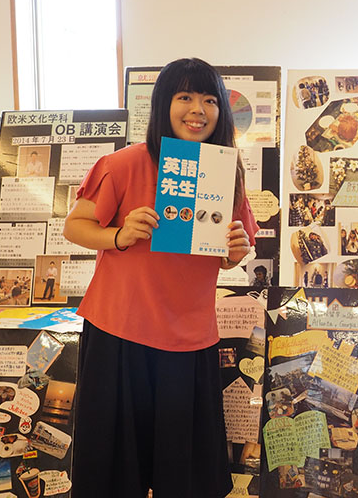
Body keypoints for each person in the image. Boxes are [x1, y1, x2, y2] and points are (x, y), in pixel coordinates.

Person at [63, 58, 259, 498]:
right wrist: (118, 235)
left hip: (188, 337)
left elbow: (226, 257)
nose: (198, 110)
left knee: (182, 471)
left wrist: (234, 253)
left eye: (210, 100)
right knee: (113, 470)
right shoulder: (124, 163)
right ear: (162, 104)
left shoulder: (226, 173)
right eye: (184, 97)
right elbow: (74, 226)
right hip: (120, 332)